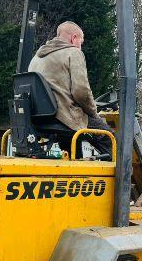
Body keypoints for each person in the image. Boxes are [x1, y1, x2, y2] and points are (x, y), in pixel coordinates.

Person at [28, 21, 114, 158]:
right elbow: (81, 92)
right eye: (81, 41)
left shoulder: (36, 57)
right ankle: (123, 178)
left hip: (40, 119)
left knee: (73, 149)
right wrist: (93, 112)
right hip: (64, 116)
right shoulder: (73, 53)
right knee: (109, 138)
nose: (81, 45)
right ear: (74, 38)